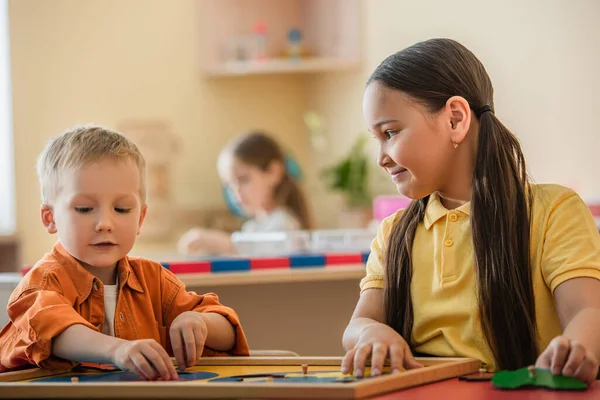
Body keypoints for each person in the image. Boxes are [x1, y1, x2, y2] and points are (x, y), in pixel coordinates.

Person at [341, 38, 600, 384]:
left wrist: (577, 346)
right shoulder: (393, 233)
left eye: (390, 132)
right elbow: (357, 325)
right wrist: (370, 334)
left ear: (456, 119)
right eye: (377, 139)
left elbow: (587, 310)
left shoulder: (552, 211)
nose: (381, 157)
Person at [0, 125, 249, 380]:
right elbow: (54, 330)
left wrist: (198, 321)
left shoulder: (155, 280)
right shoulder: (41, 284)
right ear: (50, 218)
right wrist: (118, 350)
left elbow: (228, 331)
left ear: (140, 218)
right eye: (85, 209)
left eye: (121, 209)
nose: (105, 223)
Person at [178, 131, 313, 255]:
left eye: (243, 179)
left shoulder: (285, 223)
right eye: (229, 184)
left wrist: (227, 245)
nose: (236, 191)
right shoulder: (252, 227)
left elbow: (275, 249)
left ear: (273, 172)